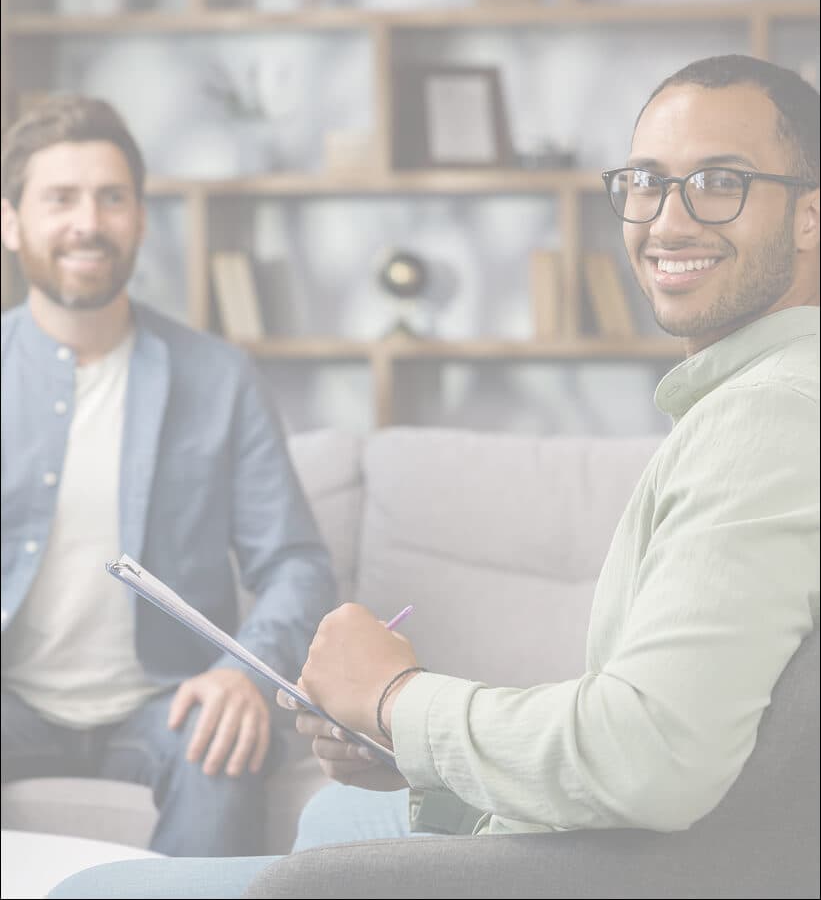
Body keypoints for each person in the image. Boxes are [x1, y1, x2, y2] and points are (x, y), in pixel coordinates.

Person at [48, 53, 819, 898]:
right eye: (645, 181)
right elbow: (671, 729)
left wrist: (395, 698)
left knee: (95, 887)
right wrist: (411, 743)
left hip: (653, 868)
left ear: (809, 216)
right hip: (657, 838)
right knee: (334, 817)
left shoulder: (769, 415)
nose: (667, 220)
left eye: (717, 180)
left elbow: (647, 754)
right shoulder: (736, 403)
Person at [0, 95, 337, 858]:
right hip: (11, 700)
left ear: (140, 219)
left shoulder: (219, 377)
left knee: (222, 749)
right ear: (11, 222)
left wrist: (242, 674)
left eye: (111, 197)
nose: (88, 221)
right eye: (61, 199)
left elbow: (296, 565)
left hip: (170, 701)